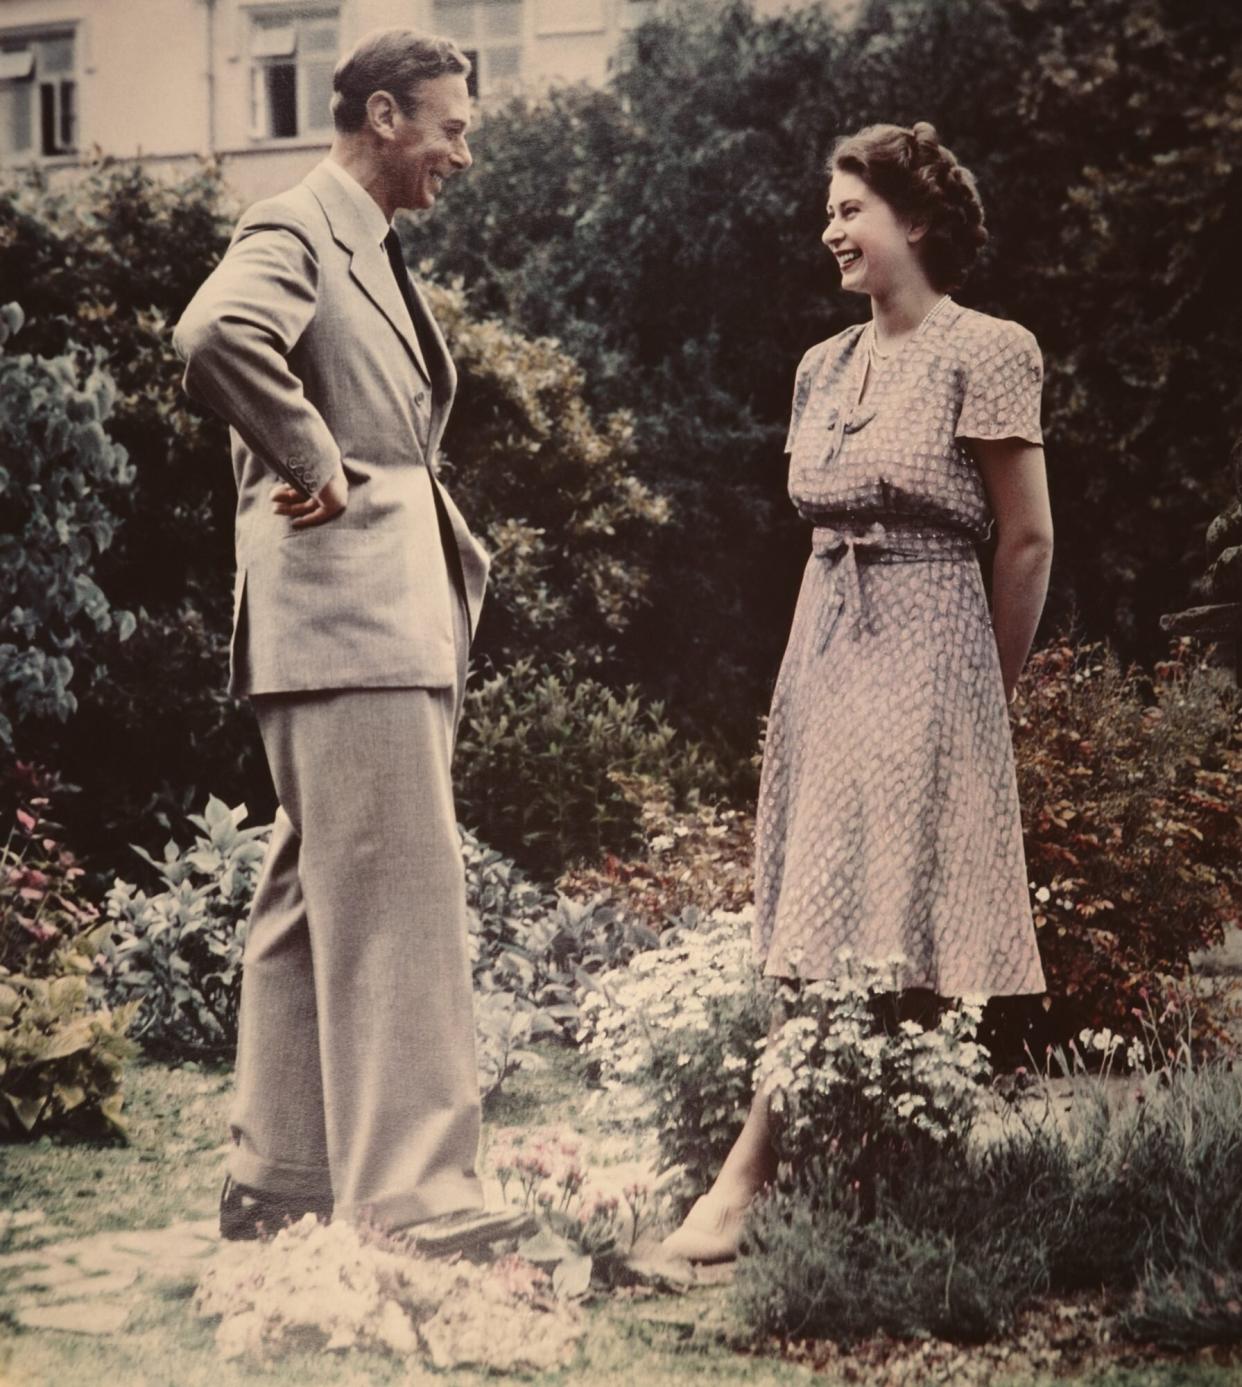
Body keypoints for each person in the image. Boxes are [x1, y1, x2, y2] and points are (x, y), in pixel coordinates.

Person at [662, 121, 1053, 1263]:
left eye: (849, 210)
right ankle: (832, 1164)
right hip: (825, 639)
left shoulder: (991, 348)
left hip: (935, 637)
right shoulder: (821, 367)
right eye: (830, 212)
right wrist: (809, 677)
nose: (829, 230)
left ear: (915, 220)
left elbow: (1025, 543)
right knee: (819, 906)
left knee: (902, 908)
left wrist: (984, 692)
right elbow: (823, 526)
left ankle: (784, 1171)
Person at [173, 28, 528, 1252]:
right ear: (383, 115)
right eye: (452, 126)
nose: (463, 153)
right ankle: (417, 1200)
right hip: (353, 620)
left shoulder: (360, 242)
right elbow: (214, 337)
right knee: (400, 903)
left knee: (310, 895)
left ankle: (280, 1178)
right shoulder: (297, 224)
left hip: (356, 622)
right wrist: (313, 452)